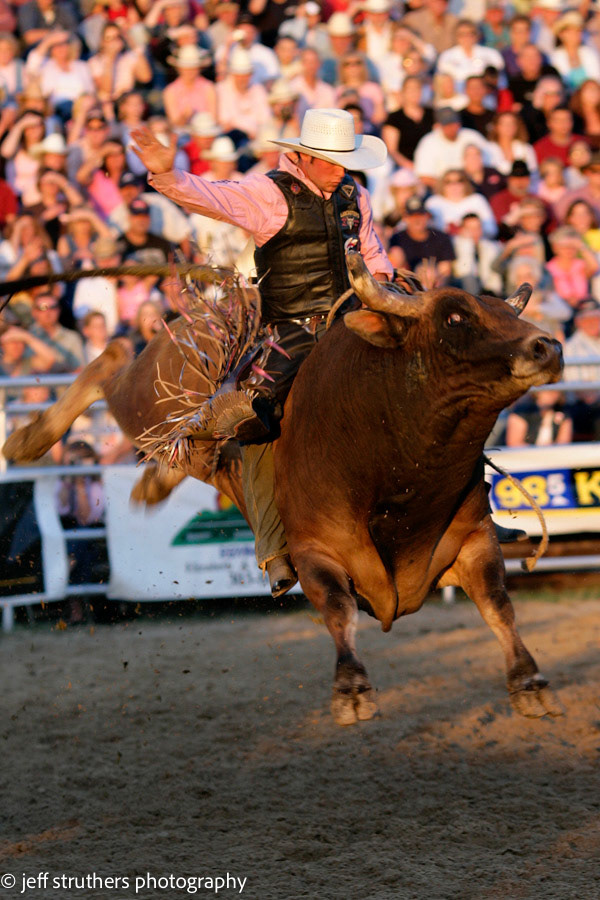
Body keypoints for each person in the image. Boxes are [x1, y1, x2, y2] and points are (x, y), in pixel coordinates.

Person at [130, 107, 392, 598]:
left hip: (351, 323)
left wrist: (393, 288)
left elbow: (373, 255)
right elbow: (211, 197)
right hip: (289, 329)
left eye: (345, 160)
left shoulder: (356, 196)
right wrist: (167, 174)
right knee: (254, 416)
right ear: (303, 156)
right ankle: (271, 547)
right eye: (332, 160)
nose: (341, 168)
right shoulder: (268, 193)